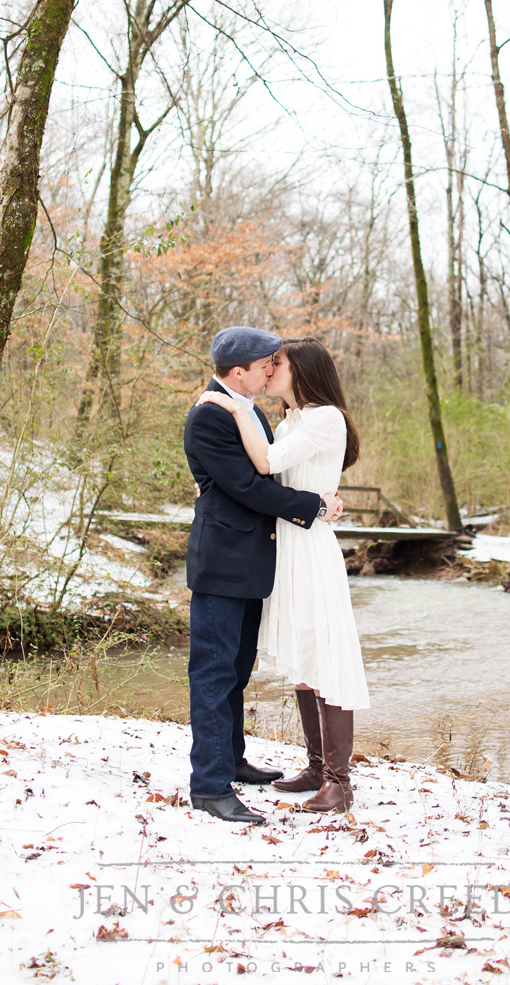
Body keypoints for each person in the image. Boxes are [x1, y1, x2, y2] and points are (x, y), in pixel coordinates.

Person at [195, 336, 367, 814]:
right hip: (282, 549)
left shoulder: (326, 417)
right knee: (305, 661)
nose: (270, 371)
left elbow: (267, 463)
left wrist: (233, 410)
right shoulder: (291, 419)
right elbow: (257, 480)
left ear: (302, 371)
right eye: (267, 364)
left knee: (325, 658)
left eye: (279, 364)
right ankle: (315, 766)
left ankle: (338, 780)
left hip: (309, 549)